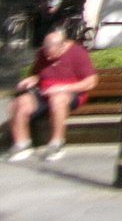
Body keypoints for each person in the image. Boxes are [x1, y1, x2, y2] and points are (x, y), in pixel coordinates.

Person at [6, 24, 98, 162]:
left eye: (52, 54)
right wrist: (31, 79)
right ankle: (22, 144)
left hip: (69, 93)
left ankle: (56, 143)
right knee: (20, 102)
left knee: (58, 99)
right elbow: (38, 74)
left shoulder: (78, 53)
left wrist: (62, 88)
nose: (48, 58)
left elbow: (91, 82)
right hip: (43, 93)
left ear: (62, 46)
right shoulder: (43, 54)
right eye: (46, 54)